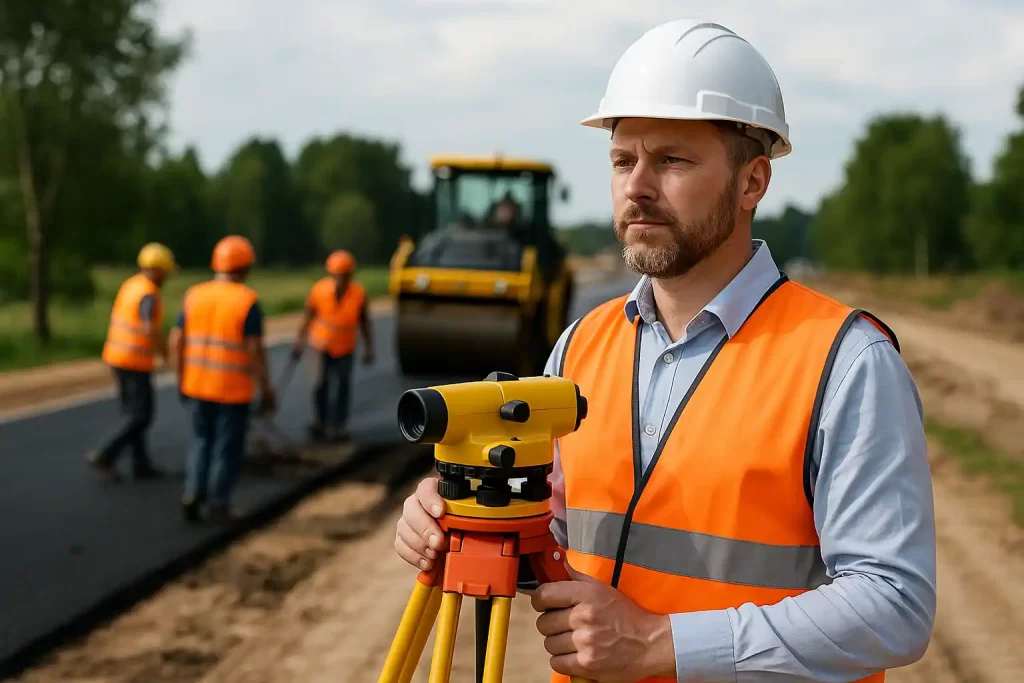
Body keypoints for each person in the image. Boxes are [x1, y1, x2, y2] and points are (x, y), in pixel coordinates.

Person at [392, 19, 936, 683]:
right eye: (624, 160)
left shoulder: (845, 361)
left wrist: (661, 642)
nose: (637, 185)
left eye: (672, 160)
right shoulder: (581, 344)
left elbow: (895, 605)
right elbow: (555, 536)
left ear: (752, 183)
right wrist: (460, 515)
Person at [169, 235, 277, 524]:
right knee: (227, 447)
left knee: (201, 441)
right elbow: (254, 350)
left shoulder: (194, 295)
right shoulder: (246, 301)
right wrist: (266, 388)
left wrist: (180, 376)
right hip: (231, 390)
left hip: (196, 385)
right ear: (245, 267)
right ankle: (219, 503)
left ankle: (194, 492)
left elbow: (176, 340)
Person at [86, 243, 177, 482]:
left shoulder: (131, 285)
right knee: (142, 416)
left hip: (117, 357)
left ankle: (141, 464)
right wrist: (164, 353)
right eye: (166, 271)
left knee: (132, 413)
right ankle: (106, 453)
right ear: (157, 269)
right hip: (134, 360)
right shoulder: (148, 293)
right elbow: (149, 327)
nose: (167, 276)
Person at [292, 249, 374, 442]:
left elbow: (364, 322)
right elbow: (308, 317)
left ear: (350, 275)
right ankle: (320, 422)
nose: (341, 279)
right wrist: (299, 341)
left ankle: (338, 426)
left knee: (342, 386)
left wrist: (369, 348)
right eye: (337, 275)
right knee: (320, 384)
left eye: (345, 275)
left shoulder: (358, 294)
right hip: (320, 346)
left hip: (345, 348)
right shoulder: (319, 291)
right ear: (331, 273)